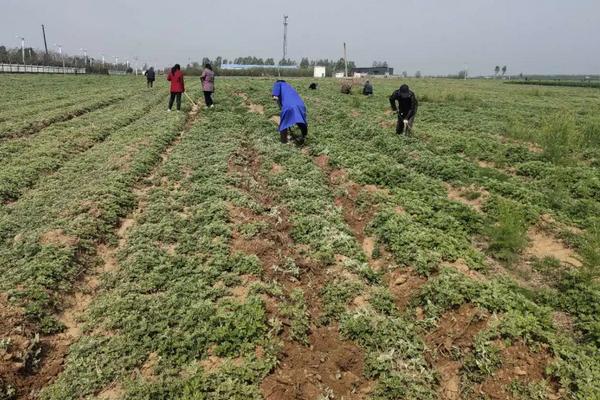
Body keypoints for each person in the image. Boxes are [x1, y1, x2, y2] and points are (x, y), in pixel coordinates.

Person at [272, 80, 308, 145]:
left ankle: (284, 142)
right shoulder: (289, 86)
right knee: (301, 120)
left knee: (284, 123)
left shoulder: (278, 84)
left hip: (289, 106)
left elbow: (275, 96)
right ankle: (304, 136)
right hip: (301, 105)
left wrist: (275, 96)